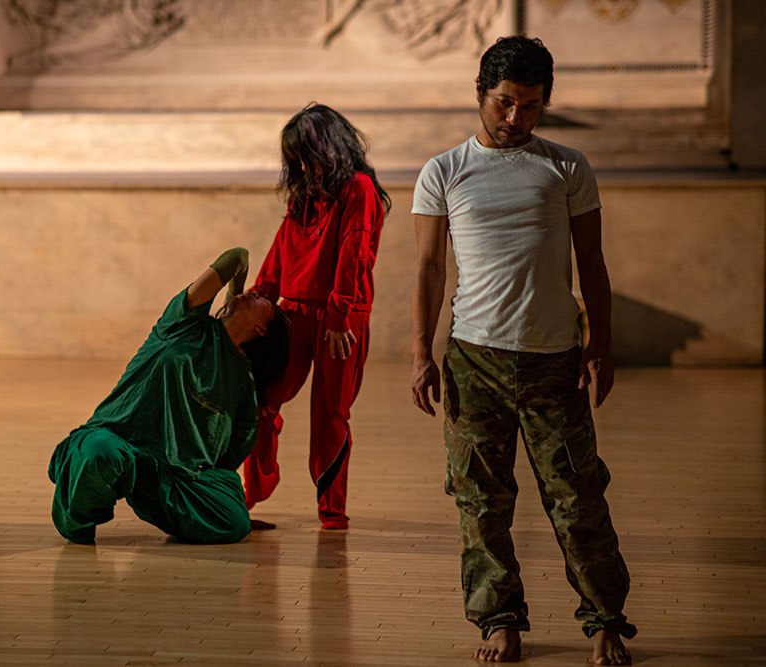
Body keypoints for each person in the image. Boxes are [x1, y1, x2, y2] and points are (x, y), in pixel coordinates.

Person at [410, 37, 635, 665]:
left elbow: (591, 262)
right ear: (480, 94)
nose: (515, 119)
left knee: (577, 495)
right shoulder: (444, 171)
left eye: (531, 107)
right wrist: (419, 353)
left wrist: (602, 345)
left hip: (553, 359)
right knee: (479, 500)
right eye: (505, 103)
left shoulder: (567, 167)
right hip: (472, 360)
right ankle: (499, 620)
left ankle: (604, 621)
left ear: (545, 104)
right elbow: (428, 269)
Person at [48, 247, 290, 545]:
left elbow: (228, 458)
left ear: (262, 330)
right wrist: (235, 298)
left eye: (263, 299)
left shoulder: (243, 383)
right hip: (118, 441)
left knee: (235, 523)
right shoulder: (183, 322)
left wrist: (218, 501)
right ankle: (76, 523)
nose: (255, 292)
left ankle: (183, 503)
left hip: (171, 476)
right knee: (98, 452)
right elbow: (236, 258)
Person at [244, 102, 391, 530]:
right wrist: (258, 300)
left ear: (329, 147)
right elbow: (278, 257)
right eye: (295, 160)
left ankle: (332, 513)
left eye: (306, 155)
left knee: (330, 414)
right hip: (292, 316)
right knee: (262, 401)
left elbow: (355, 254)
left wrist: (340, 315)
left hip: (339, 320)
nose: (302, 167)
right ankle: (250, 496)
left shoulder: (359, 188)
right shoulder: (304, 197)